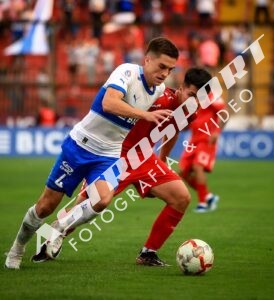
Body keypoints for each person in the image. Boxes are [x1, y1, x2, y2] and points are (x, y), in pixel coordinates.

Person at [5, 37, 179, 269]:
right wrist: (144, 115)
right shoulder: (127, 72)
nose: (165, 73)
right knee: (45, 207)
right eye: (162, 66)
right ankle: (17, 247)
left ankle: (61, 227)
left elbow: (169, 109)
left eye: (170, 69)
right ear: (147, 60)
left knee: (102, 200)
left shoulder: (158, 90)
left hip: (109, 154)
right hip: (79, 146)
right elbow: (109, 103)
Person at [32, 68, 213, 266]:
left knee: (181, 197)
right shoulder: (157, 97)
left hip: (144, 159)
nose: (195, 102)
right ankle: (46, 241)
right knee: (85, 205)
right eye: (192, 95)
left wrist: (162, 160)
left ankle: (148, 253)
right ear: (181, 88)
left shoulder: (190, 110)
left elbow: (173, 130)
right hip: (117, 155)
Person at [179, 93, 226, 213]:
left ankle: (203, 203)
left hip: (207, 139)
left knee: (197, 166)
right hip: (193, 140)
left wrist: (217, 131)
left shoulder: (211, 96)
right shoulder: (191, 98)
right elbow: (188, 123)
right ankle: (208, 197)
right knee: (183, 173)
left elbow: (225, 113)